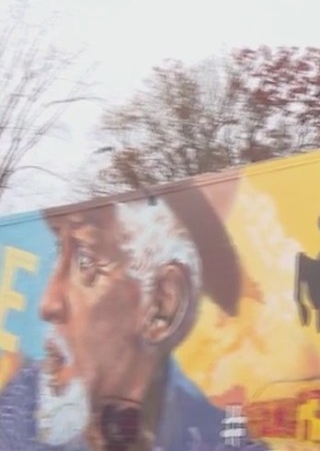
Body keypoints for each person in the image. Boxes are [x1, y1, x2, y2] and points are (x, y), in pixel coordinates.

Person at [0, 186, 266, 451]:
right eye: (59, 251)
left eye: (86, 261)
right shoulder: (19, 401)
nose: (49, 303)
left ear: (162, 305)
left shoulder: (216, 441)